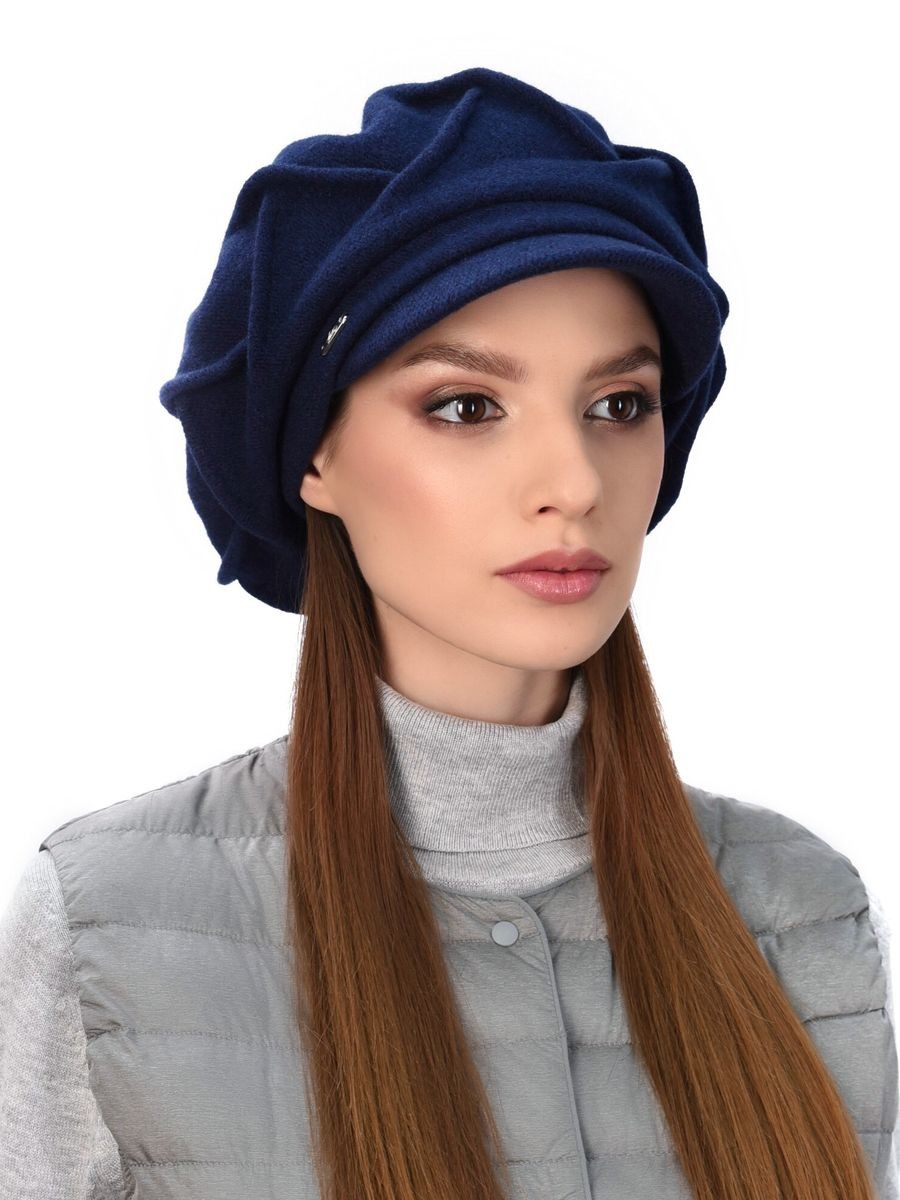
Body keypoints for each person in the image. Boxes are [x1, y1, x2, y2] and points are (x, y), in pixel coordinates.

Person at [1, 66, 897, 1200]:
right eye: (467, 407)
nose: (575, 482)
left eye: (618, 405)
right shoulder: (113, 922)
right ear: (314, 454)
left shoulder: (799, 904)